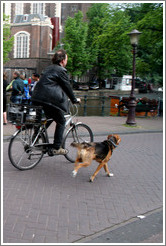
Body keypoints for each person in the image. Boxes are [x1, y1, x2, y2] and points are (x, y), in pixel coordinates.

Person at [31, 49, 79, 155]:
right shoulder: (61, 70)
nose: (66, 62)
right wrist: (74, 100)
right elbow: (67, 86)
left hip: (36, 97)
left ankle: (36, 137)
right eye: (66, 59)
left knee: (49, 117)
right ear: (62, 61)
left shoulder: (48, 68)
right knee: (61, 120)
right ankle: (56, 147)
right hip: (47, 99)